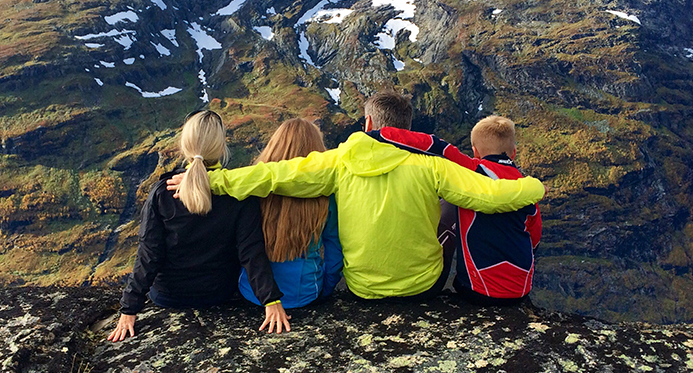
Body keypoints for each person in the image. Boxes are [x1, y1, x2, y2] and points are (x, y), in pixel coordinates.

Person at [169, 92, 545, 301]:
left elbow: (272, 175)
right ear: (408, 129)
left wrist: (212, 181)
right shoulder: (433, 166)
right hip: (421, 287)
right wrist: (534, 187)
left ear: (367, 124)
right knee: (451, 212)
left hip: (364, 288)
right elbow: (493, 196)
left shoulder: (339, 162)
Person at [108, 110, 291, 342]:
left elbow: (149, 254)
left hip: (167, 296)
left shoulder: (163, 192)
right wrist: (271, 300)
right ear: (222, 148)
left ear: (184, 146)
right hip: (217, 294)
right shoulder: (239, 195)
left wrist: (129, 309)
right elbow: (251, 252)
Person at [367, 115, 541, 304]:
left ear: (475, 151)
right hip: (520, 291)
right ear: (513, 153)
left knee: (450, 200)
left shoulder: (471, 170)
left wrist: (376, 134)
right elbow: (534, 241)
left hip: (477, 291)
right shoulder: (527, 189)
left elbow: (433, 144)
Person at [238, 118, 343, 308]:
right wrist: (325, 288)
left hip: (251, 292)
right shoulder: (327, 195)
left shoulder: (254, 188)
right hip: (305, 293)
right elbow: (334, 250)